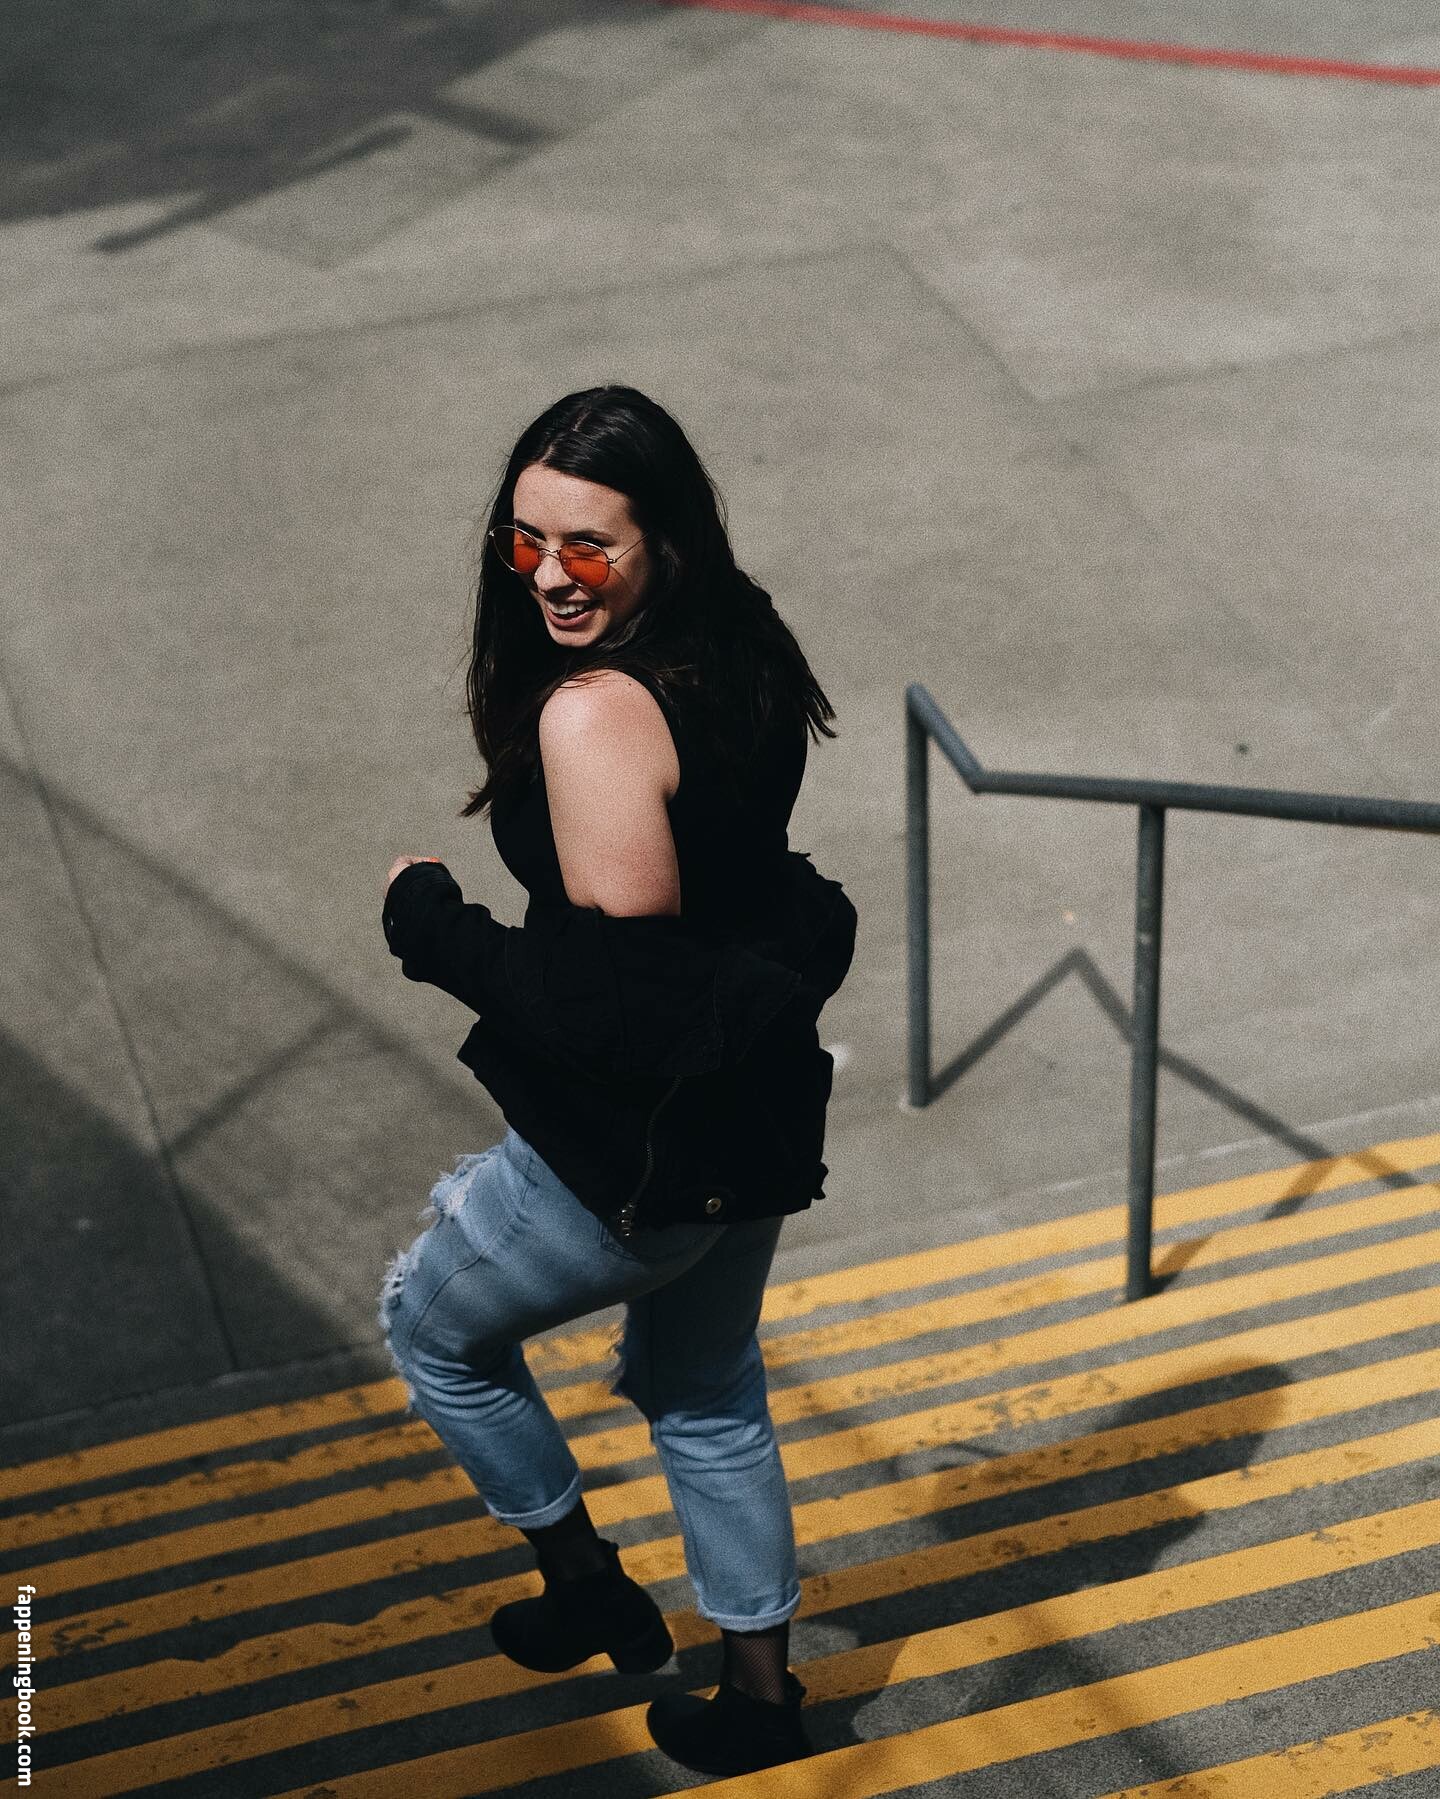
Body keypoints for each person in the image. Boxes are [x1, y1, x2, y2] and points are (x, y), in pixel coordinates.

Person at [378, 384, 857, 1776]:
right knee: (707, 1393)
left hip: (624, 1157)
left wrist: (432, 927)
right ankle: (760, 1697)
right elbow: (744, 888)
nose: (548, 575)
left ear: (666, 541)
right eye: (522, 541)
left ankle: (584, 1580)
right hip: (752, 1122)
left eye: (587, 544)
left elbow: (615, 1011)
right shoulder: (741, 637)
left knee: (431, 1331)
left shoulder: (595, 715)